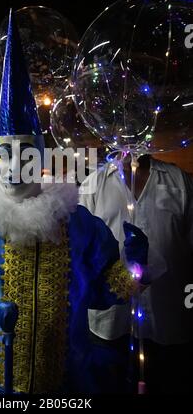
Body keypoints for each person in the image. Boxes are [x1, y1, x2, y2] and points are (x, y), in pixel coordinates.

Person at [0, 11, 148, 394]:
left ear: (41, 159)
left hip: (71, 383)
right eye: (4, 156)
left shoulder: (77, 224)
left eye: (26, 157)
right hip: (0, 385)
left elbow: (103, 292)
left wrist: (133, 266)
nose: (15, 170)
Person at [79, 152, 193, 393]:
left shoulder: (179, 181)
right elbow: (81, 253)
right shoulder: (93, 184)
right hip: (110, 326)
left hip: (168, 324)